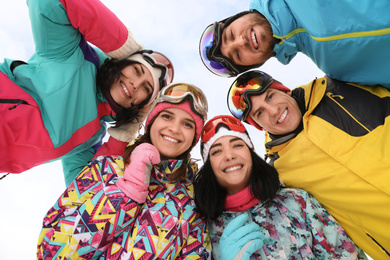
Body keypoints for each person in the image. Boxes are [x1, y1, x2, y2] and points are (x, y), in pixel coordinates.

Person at [0, 0, 174, 186]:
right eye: (137, 71)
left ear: (142, 106)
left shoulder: (89, 140)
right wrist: (121, 42)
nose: (135, 84)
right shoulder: (72, 53)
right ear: (124, 61)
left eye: (146, 89)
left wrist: (123, 136)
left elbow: (87, 192)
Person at [226, 70, 390, 259]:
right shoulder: (281, 173)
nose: (273, 111)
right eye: (260, 113)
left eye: (270, 97)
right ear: (259, 126)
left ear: (285, 90)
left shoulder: (337, 87)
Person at [36, 83, 212, 259]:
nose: (174, 128)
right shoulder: (104, 168)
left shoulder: (193, 203)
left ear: (194, 139)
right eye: (167, 116)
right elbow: (52, 252)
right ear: (151, 122)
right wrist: (126, 194)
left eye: (187, 124)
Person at [193, 115, 367, 259]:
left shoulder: (297, 201)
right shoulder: (202, 227)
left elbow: (345, 253)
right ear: (209, 166)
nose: (229, 156)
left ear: (251, 153)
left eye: (237, 145)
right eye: (216, 151)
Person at [198, 0, 390, 88]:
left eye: (231, 34)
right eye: (238, 55)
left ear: (235, 18)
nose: (241, 42)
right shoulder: (335, 68)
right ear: (255, 65)